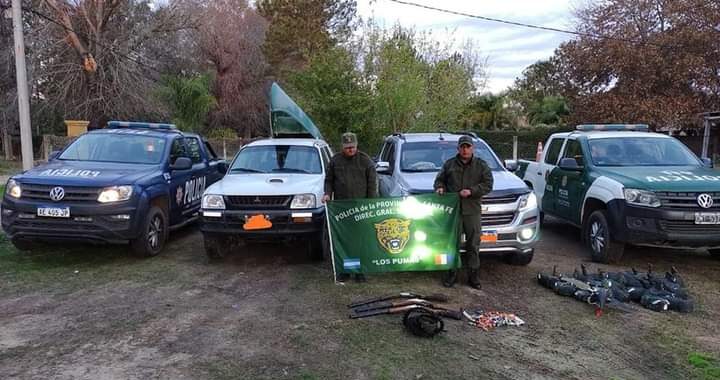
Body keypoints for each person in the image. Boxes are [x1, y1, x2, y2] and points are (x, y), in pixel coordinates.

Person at [433, 135, 494, 289]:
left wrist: (472, 191)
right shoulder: (449, 165)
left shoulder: (481, 165)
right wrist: (440, 187)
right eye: (462, 147)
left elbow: (488, 185)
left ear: (472, 148)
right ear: (458, 148)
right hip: (453, 211)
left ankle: (473, 276)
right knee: (452, 243)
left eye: (468, 147)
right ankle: (451, 274)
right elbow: (439, 180)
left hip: (472, 210)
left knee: (473, 244)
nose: (465, 149)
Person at [322, 132, 378, 283]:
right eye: (347, 148)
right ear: (342, 147)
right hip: (342, 208)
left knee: (360, 241)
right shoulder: (335, 161)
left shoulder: (365, 161)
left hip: (361, 208)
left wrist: (371, 204)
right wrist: (327, 194)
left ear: (357, 145)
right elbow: (329, 181)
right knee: (344, 240)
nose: (350, 150)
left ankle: (360, 271)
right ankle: (346, 270)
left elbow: (372, 185)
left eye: (352, 147)